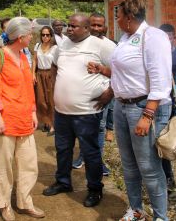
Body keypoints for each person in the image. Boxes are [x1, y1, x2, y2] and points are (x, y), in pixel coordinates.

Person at [110, 0, 172, 220]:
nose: (116, 19)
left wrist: (148, 115)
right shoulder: (126, 38)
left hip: (144, 107)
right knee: (128, 164)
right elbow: (125, 74)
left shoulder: (152, 36)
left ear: (129, 17)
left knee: (149, 167)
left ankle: (160, 217)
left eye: (119, 15)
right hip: (121, 106)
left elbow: (160, 79)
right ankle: (136, 210)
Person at [42, 14, 114, 208]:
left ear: (87, 28)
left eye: (74, 26)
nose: (69, 29)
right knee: (63, 150)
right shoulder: (62, 45)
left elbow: (124, 70)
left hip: (87, 112)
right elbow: (55, 67)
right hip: (63, 112)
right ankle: (63, 182)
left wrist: (110, 93)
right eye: (68, 26)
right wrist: (56, 91)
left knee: (90, 153)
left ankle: (94, 189)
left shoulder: (101, 46)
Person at [0, 17, 45, 221]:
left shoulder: (23, 56)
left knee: (29, 164)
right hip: (4, 121)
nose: (32, 37)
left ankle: (25, 202)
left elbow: (27, 87)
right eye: (29, 34)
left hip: (23, 118)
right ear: (19, 37)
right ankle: (4, 204)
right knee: (4, 166)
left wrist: (33, 112)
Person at [72, 13, 116, 177]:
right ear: (87, 26)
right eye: (93, 25)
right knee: (82, 128)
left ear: (105, 27)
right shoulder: (77, 44)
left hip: (101, 95)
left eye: (100, 25)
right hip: (81, 95)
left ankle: (98, 161)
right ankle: (83, 156)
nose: (96, 28)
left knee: (99, 127)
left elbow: (118, 73)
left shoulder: (110, 46)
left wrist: (109, 93)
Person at [159, 23, 176, 200]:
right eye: (163, 37)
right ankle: (168, 181)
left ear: (174, 38)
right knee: (164, 142)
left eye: (169, 37)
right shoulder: (155, 55)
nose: (166, 40)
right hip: (159, 105)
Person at [32, 26, 57, 136]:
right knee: (41, 99)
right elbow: (34, 60)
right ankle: (45, 122)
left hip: (50, 75)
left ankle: (53, 125)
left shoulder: (55, 48)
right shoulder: (37, 46)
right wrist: (32, 73)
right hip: (40, 74)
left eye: (47, 35)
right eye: (43, 35)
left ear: (51, 36)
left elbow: (58, 63)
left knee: (51, 100)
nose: (45, 37)